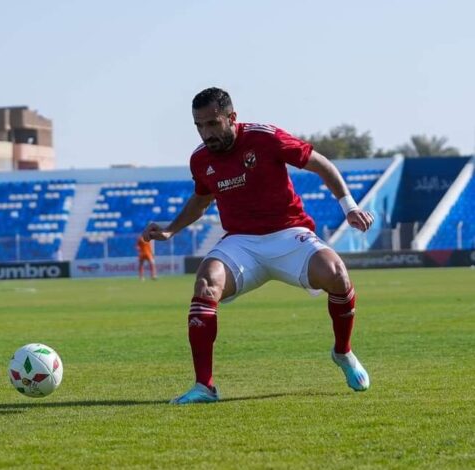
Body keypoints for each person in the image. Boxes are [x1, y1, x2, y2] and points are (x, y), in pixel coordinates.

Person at [143, 87, 373, 404]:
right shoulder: (200, 159)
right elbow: (201, 200)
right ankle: (204, 387)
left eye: (212, 123)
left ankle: (343, 352)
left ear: (232, 118)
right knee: (206, 282)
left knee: (337, 274)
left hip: (289, 233)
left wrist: (350, 207)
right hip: (241, 243)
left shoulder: (265, 138)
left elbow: (320, 164)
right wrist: (170, 230)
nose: (206, 133)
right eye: (199, 125)